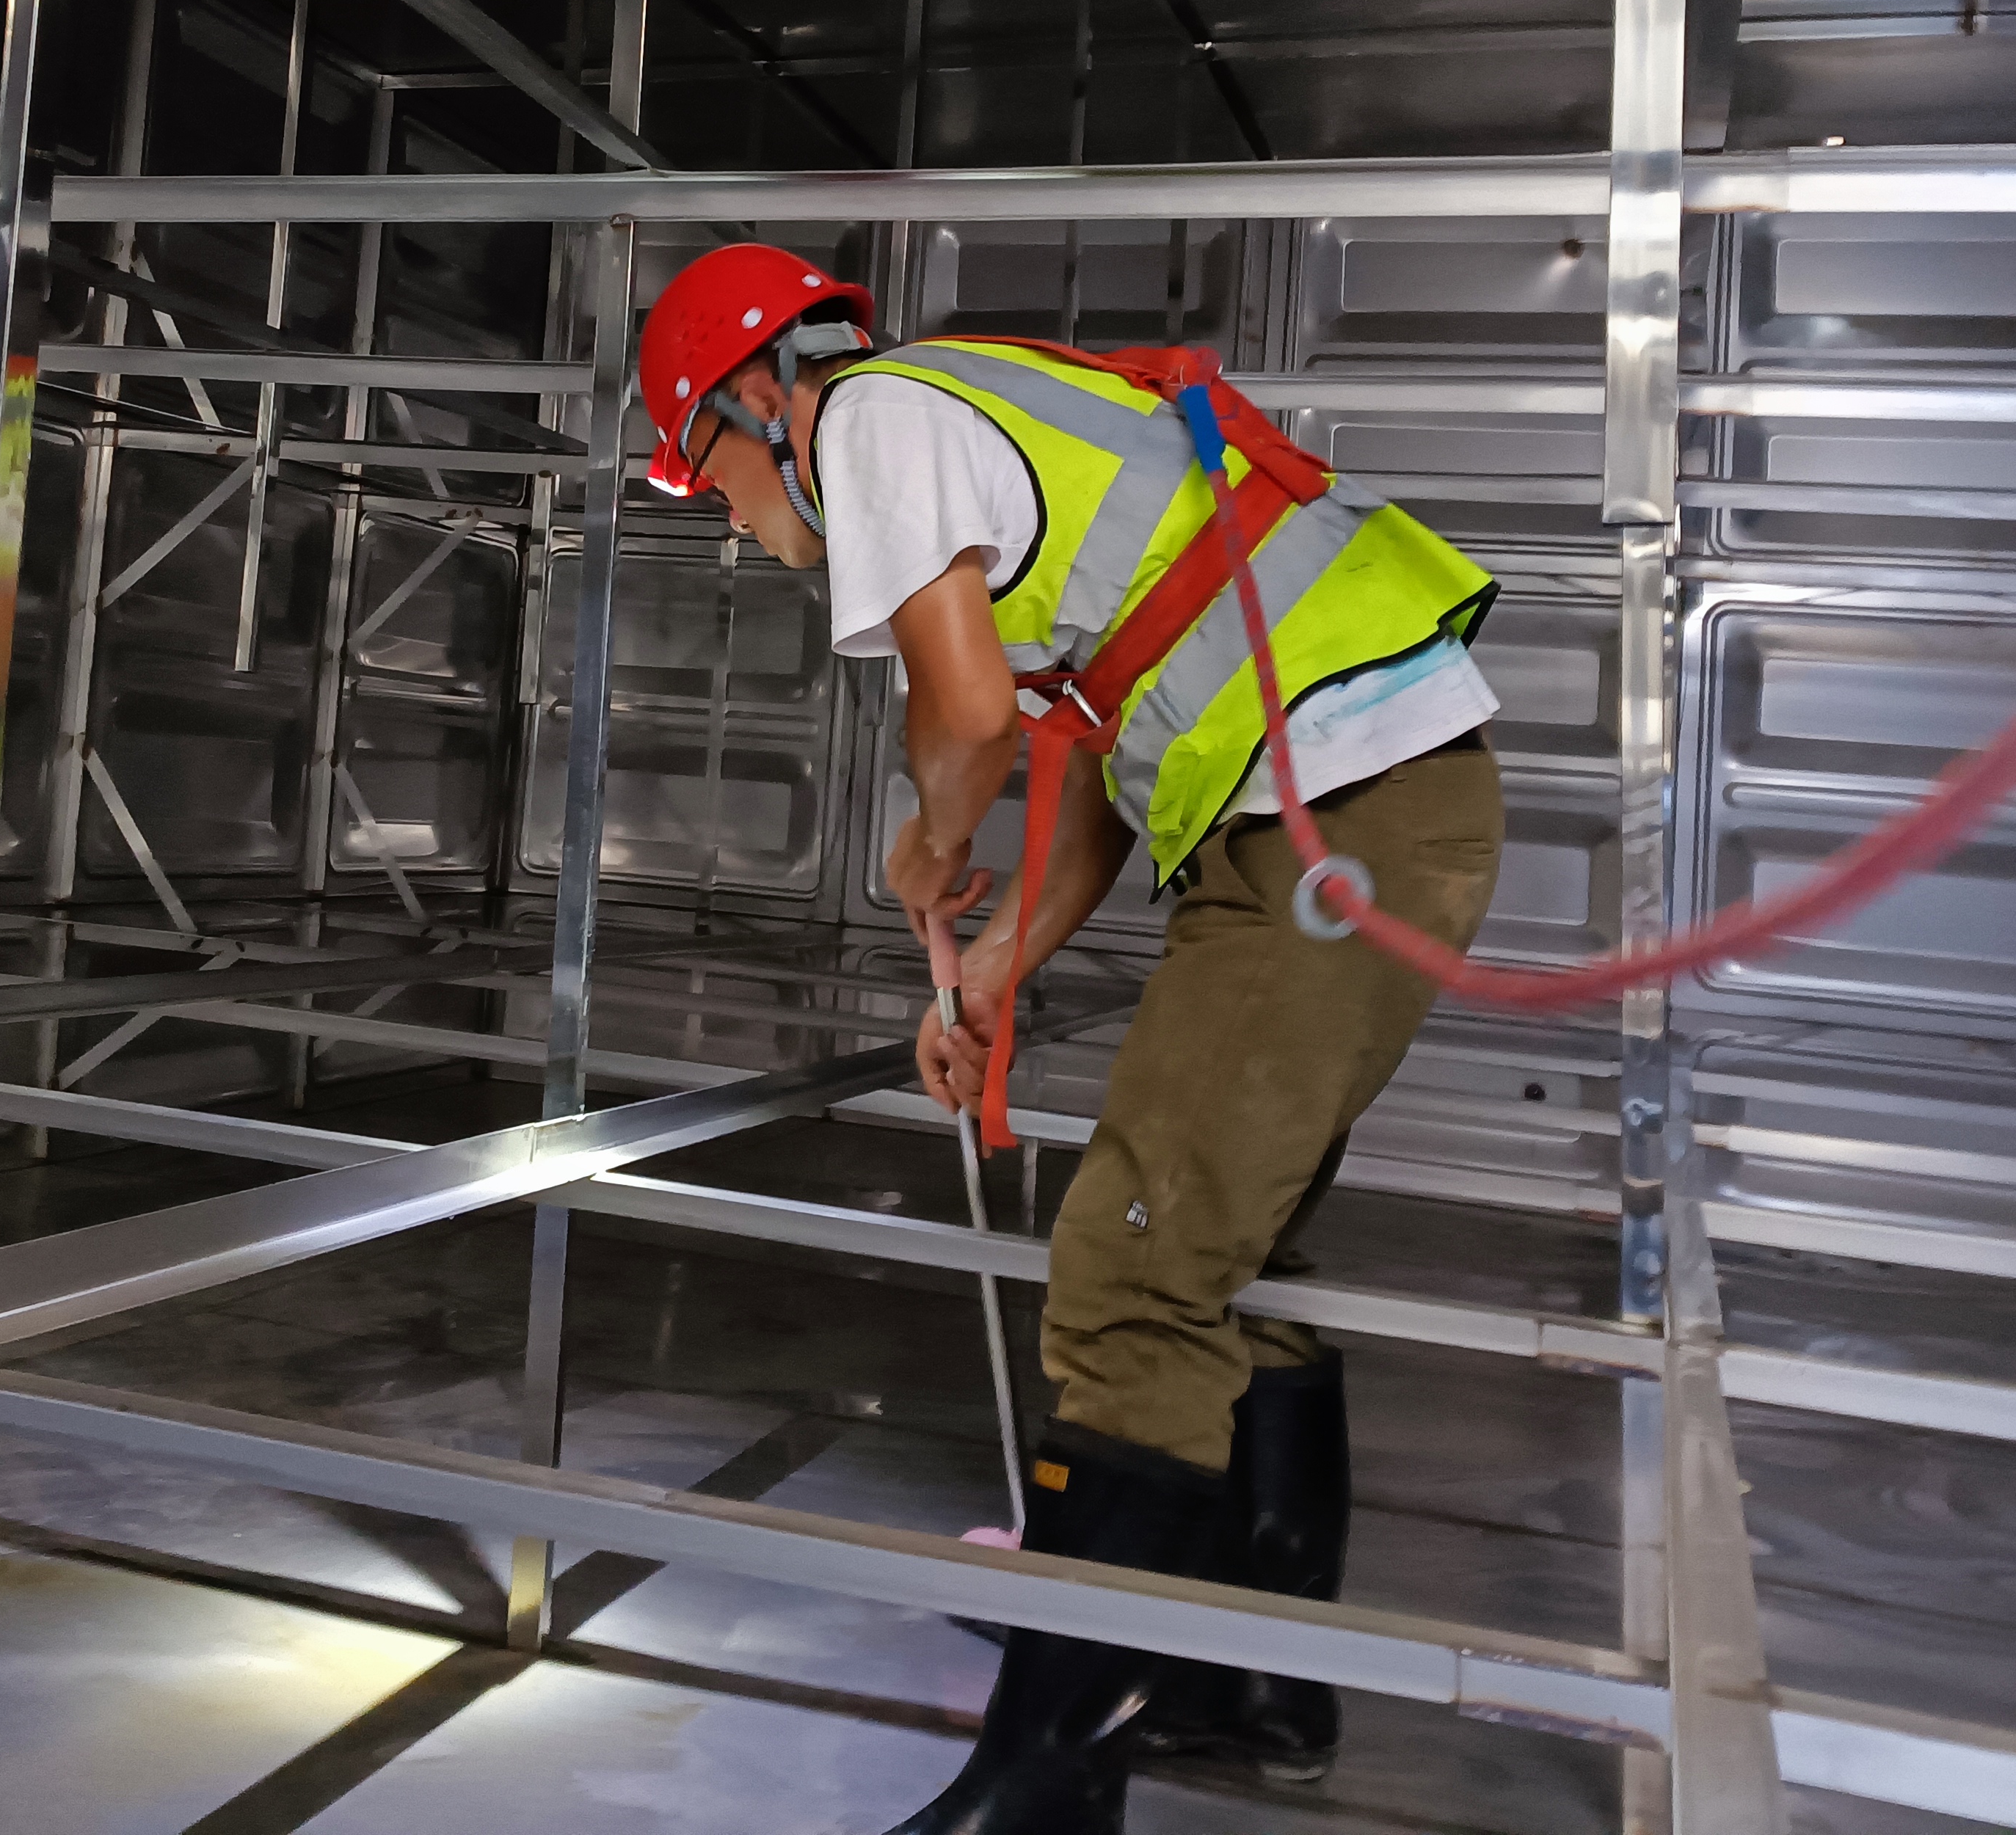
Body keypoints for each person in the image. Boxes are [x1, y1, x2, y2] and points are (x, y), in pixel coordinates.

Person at [636, 242, 1507, 1834]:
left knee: (1131, 1275)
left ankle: (1043, 1784)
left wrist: (927, 837)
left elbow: (968, 719)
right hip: (1341, 804)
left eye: (709, 474)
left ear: (758, 394)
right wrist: (989, 966)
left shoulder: (872, 416)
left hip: (1333, 812)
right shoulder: (987, 438)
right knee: (1228, 1256)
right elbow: (1094, 771)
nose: (735, 521)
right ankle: (1240, 1681)